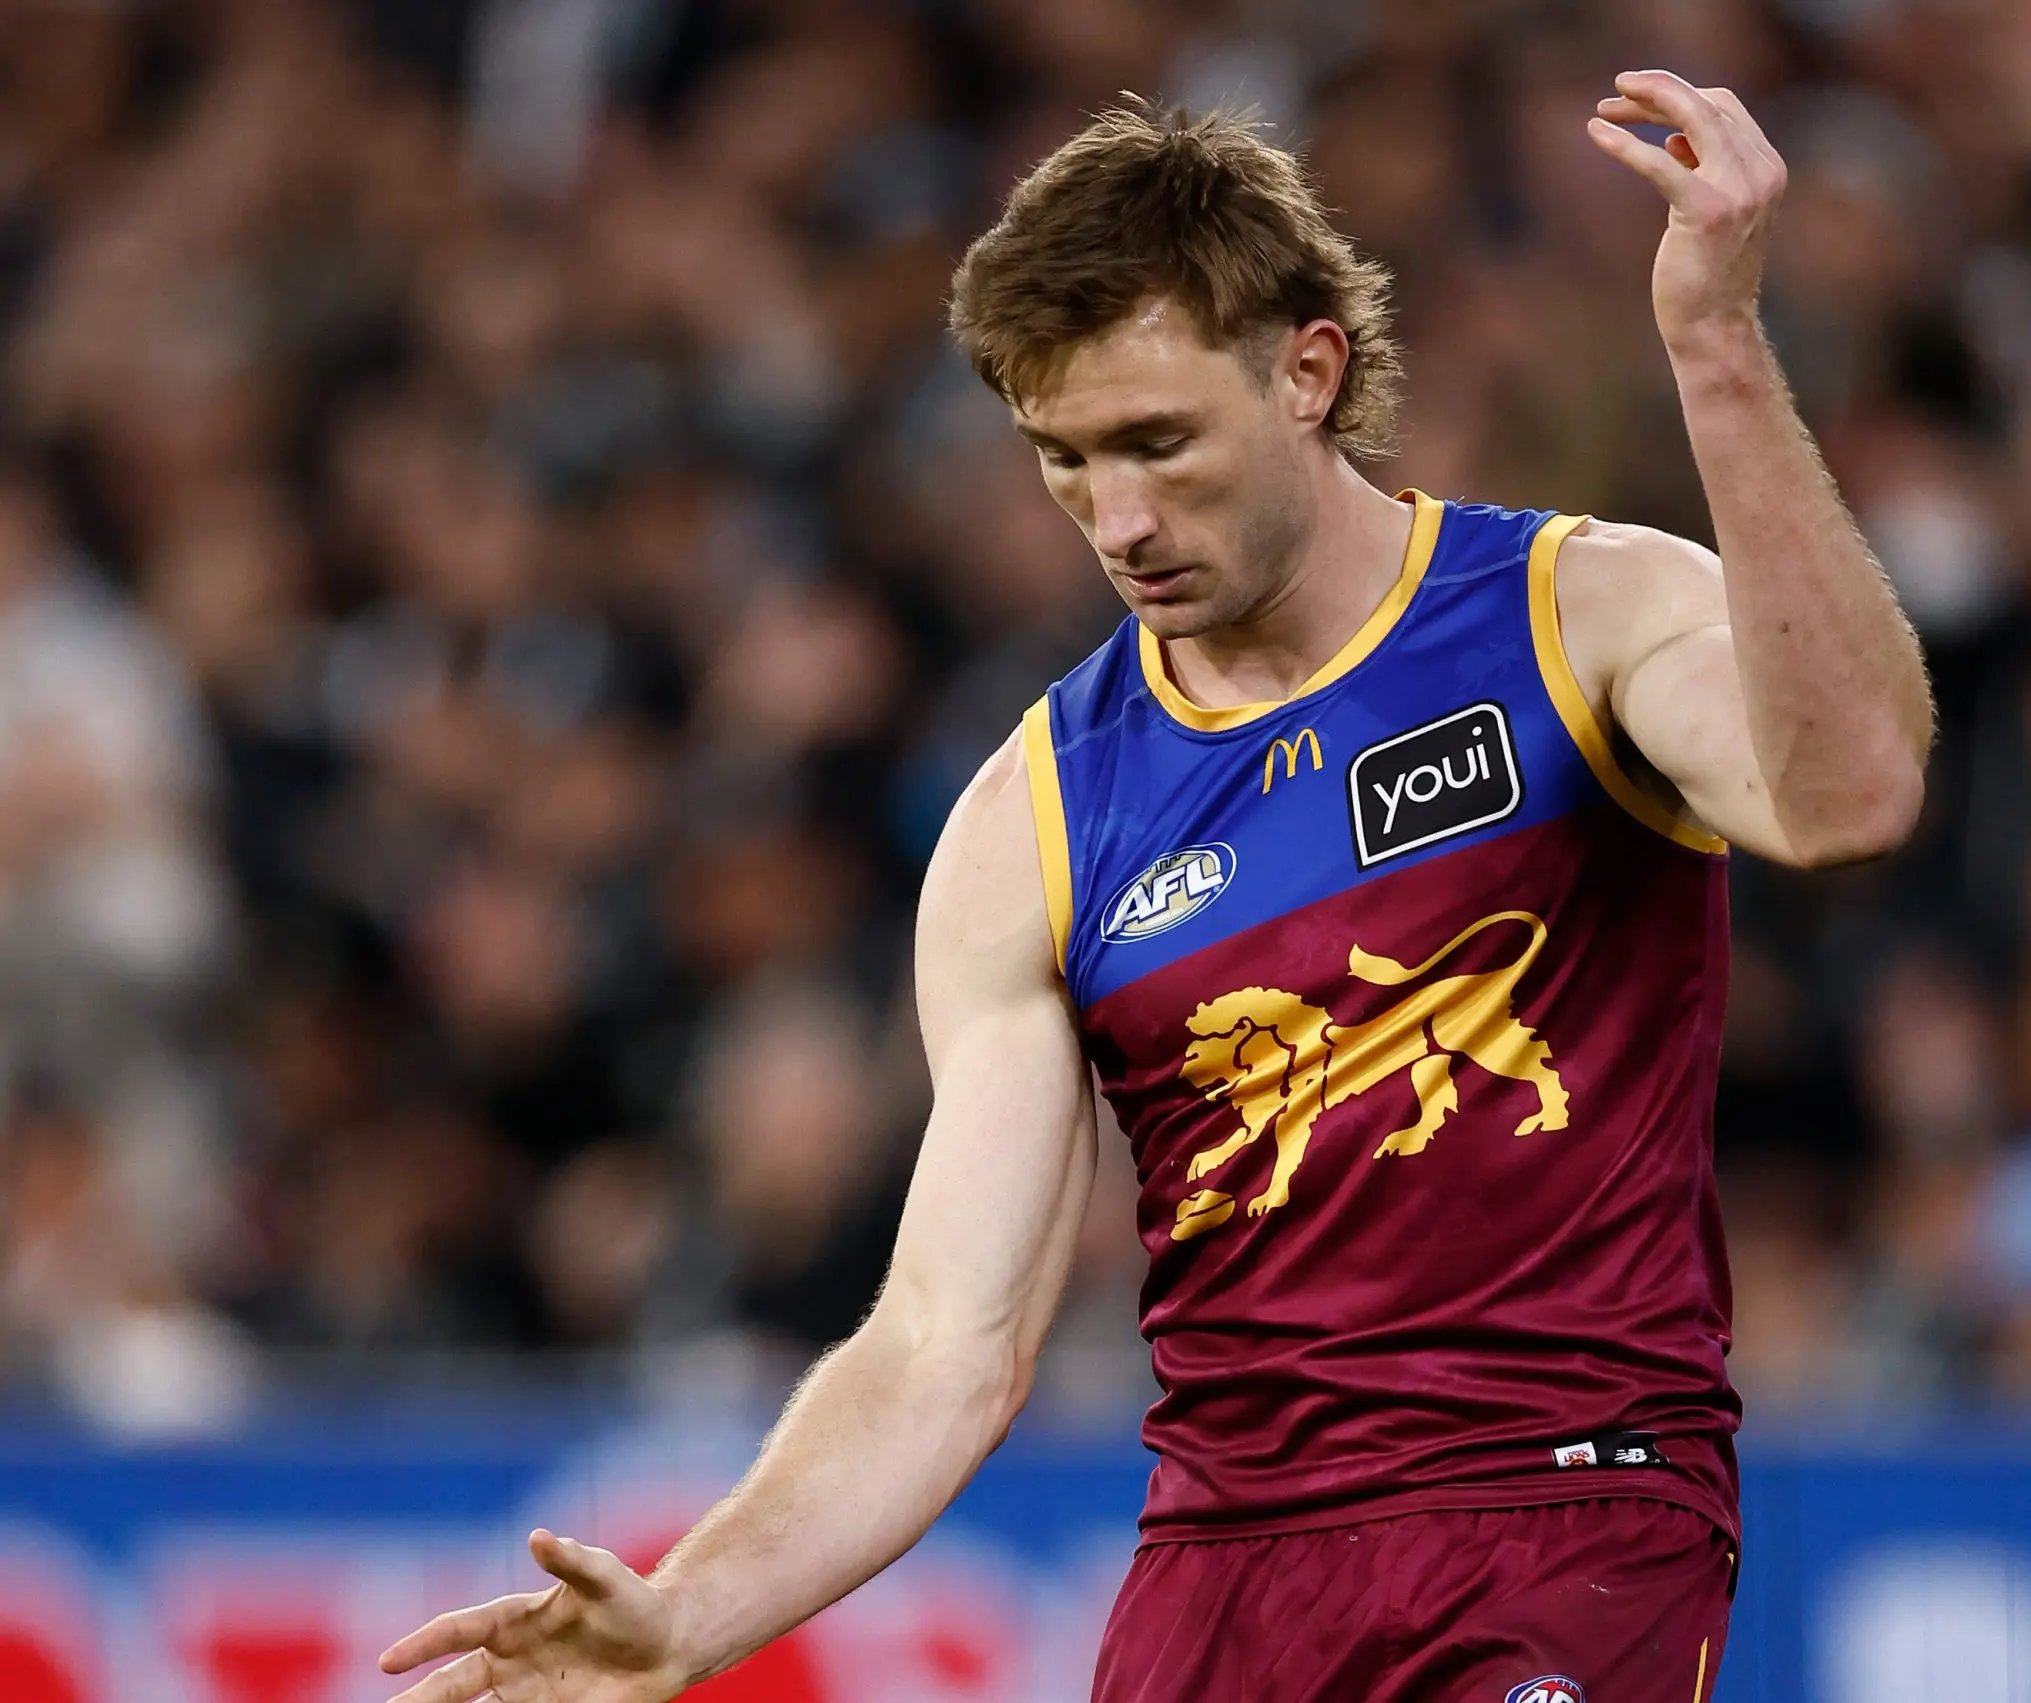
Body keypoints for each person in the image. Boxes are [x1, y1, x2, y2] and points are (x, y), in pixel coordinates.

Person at [380, 70, 1931, 1703]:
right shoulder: (1036, 819)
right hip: (1222, 1574)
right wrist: (690, 1611)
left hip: (1560, 1514)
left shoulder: (1579, 620)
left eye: (1158, 443)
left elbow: (1852, 796)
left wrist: (1719, 352)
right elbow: (946, 1341)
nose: (1116, 519)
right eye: (1063, 459)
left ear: (1310, 371)